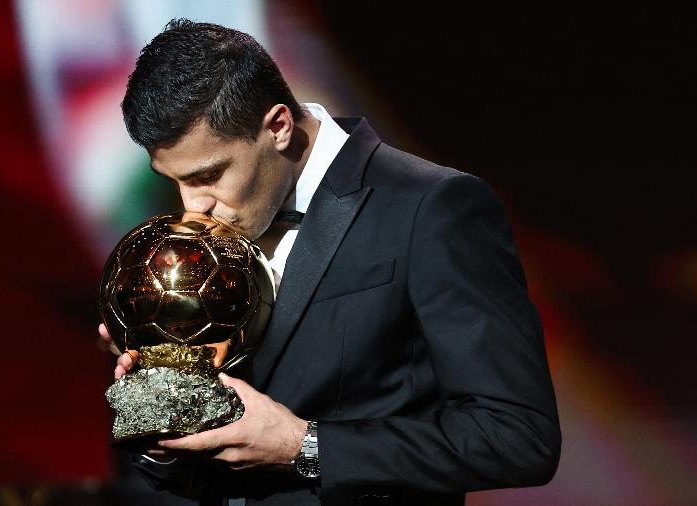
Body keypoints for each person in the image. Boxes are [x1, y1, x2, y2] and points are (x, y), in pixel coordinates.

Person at [98, 19, 560, 506]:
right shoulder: (206, 238)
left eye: (209, 175)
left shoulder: (432, 208)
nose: (193, 207)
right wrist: (161, 402)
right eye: (176, 181)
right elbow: (214, 470)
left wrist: (305, 446)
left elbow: (518, 436)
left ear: (278, 127)